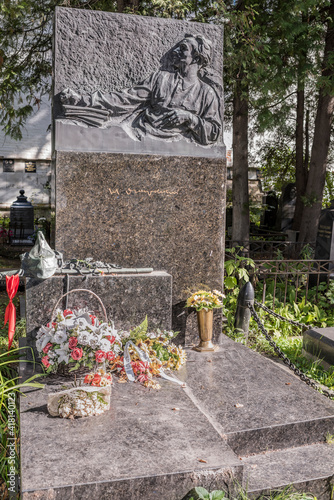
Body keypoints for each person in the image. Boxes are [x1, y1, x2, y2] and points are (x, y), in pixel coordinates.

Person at [60, 34, 222, 146]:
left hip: (177, 144)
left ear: (197, 58)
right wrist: (83, 100)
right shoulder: (160, 79)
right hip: (141, 133)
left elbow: (213, 132)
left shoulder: (207, 94)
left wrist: (190, 118)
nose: (175, 51)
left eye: (183, 48)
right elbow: (123, 99)